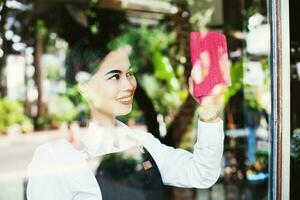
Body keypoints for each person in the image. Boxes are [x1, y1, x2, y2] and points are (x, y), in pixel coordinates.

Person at [26, 45, 225, 200]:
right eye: (114, 76)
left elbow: (202, 174)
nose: (128, 85)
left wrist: (209, 112)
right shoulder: (57, 158)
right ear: (84, 87)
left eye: (129, 73)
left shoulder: (141, 143)